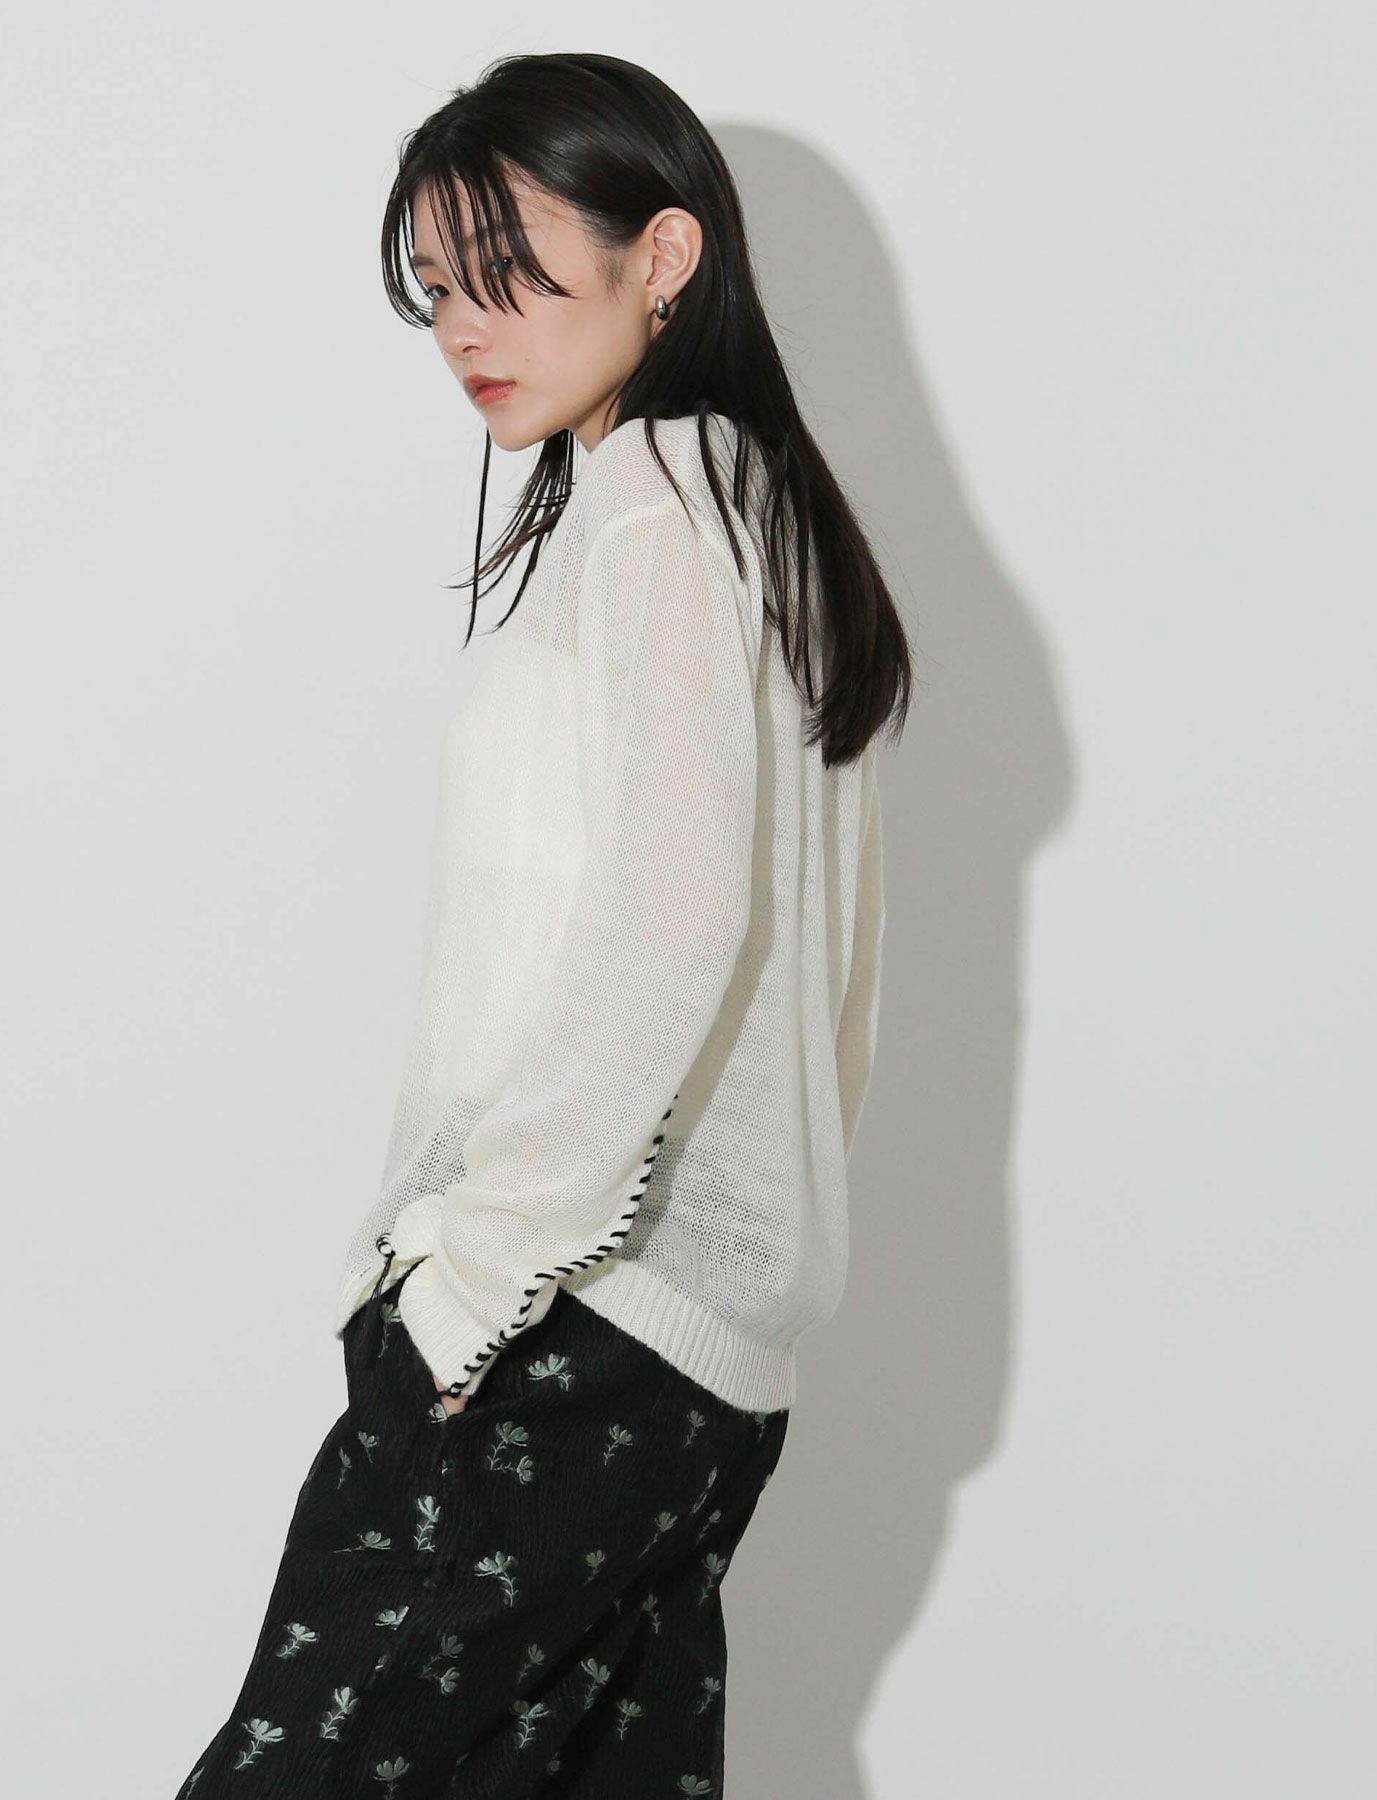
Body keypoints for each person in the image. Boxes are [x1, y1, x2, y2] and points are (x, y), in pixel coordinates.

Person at [174, 49, 909, 1799]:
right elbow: (831, 987)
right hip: (709, 1368)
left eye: (506, 271)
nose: (463, 329)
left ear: (665, 255)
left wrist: (473, 1282)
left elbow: (678, 923)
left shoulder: (658, 512)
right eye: (437, 288)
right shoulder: (770, 513)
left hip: (563, 1327)